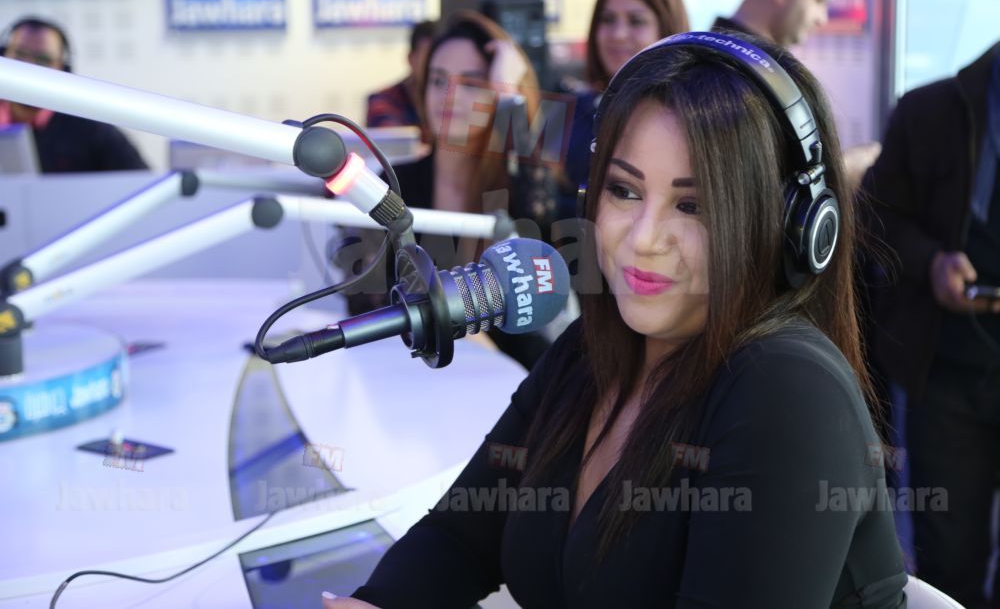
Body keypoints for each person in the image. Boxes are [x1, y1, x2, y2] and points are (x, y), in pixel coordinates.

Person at [323, 32, 907, 607]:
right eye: (625, 191)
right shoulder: (592, 350)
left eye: (693, 206)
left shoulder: (791, 393)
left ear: (790, 225)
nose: (643, 239)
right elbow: (460, 538)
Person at [338, 10, 558, 370]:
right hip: (410, 379)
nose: (449, 96)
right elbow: (364, 303)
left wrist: (510, 98)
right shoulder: (395, 184)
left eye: (471, 84)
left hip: (509, 381)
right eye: (438, 80)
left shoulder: (518, 187)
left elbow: (542, 220)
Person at [861, 40, 1000, 608]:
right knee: (948, 562)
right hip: (944, 373)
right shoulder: (929, 109)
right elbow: (874, 214)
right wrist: (932, 263)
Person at [712, 0, 879, 190]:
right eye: (819, 0)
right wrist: (845, 170)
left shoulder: (716, 57)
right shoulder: (737, 74)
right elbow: (754, 187)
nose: (822, 18)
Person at [560, 0, 689, 220]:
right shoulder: (569, 110)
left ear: (667, 28)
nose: (618, 34)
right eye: (607, 20)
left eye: (636, 21)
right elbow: (530, 201)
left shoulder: (691, 120)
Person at [0, 16, 148, 173]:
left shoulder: (92, 129)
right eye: (20, 54)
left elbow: (146, 180)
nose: (29, 67)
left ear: (63, 71)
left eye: (43, 60)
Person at [365, 20, 437, 129]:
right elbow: (393, 136)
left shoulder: (453, 100)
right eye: (429, 57)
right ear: (411, 59)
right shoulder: (383, 101)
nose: (436, 66)